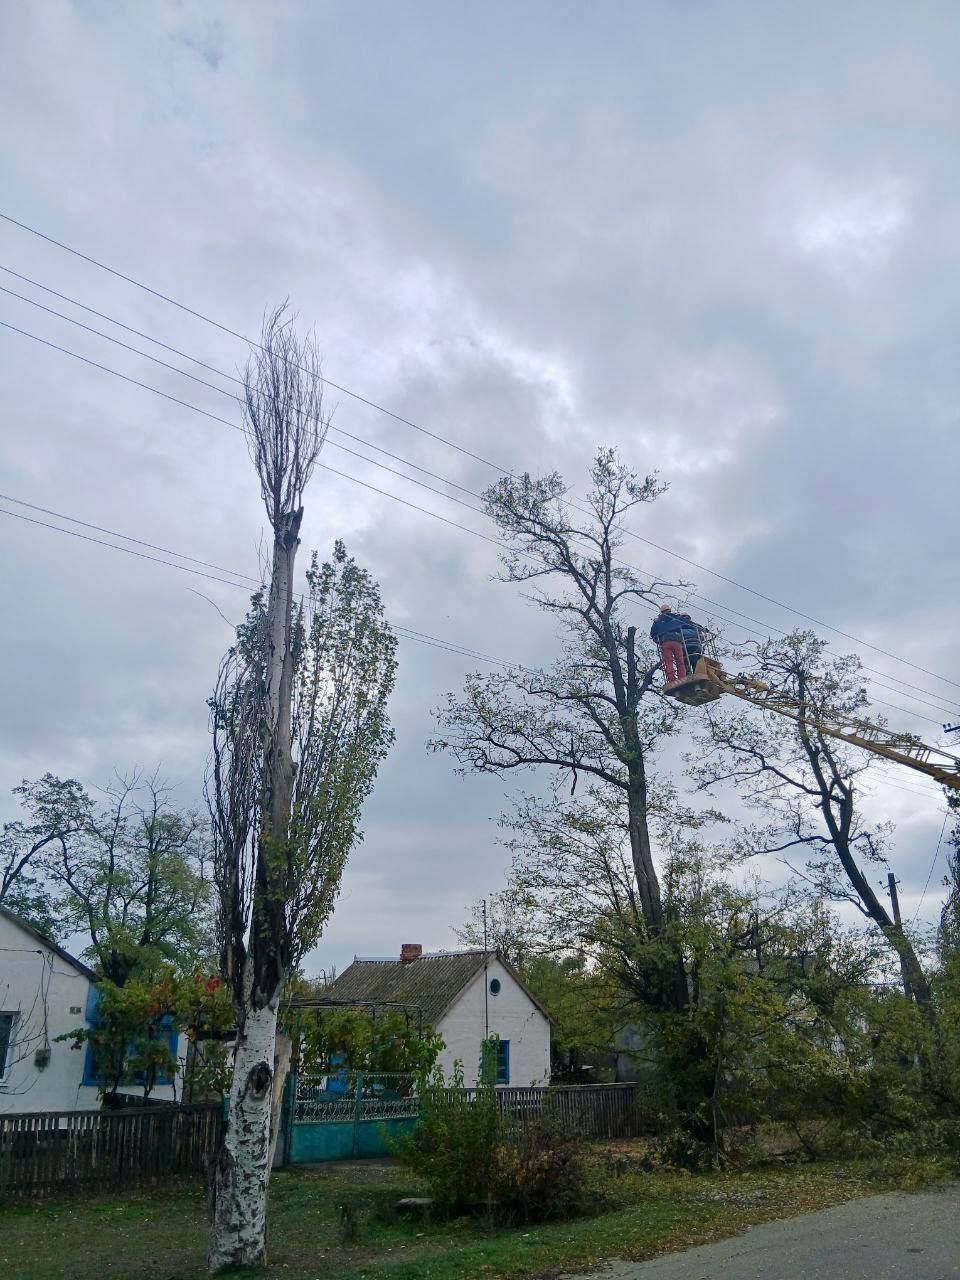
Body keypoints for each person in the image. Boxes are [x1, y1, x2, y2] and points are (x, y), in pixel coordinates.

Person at [650, 605, 687, 684]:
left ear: (661, 612)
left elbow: (653, 634)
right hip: (676, 642)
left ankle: (672, 680)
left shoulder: (658, 621)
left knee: (668, 662)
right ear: (669, 610)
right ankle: (682, 678)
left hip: (665, 642)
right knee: (680, 661)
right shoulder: (676, 618)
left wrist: (659, 641)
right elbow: (688, 624)